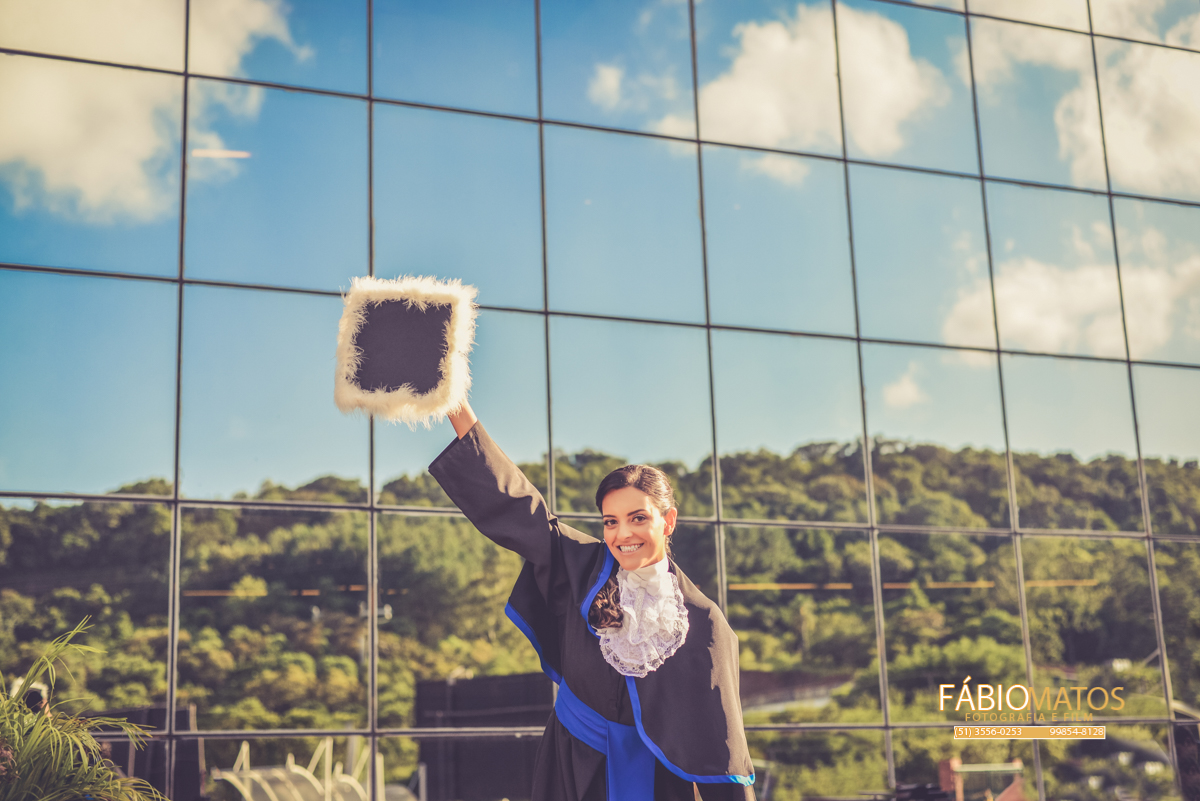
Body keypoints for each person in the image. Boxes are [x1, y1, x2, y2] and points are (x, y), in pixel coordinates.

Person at [430, 401, 756, 801]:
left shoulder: (704, 622)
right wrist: (456, 406)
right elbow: (520, 508)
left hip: (657, 784)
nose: (623, 534)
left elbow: (722, 751)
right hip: (569, 764)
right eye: (610, 521)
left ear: (668, 521)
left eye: (638, 518)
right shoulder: (581, 566)